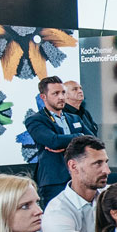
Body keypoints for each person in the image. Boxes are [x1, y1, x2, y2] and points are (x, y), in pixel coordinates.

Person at [40, 135, 110, 232]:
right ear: (73, 167)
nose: (107, 170)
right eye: (97, 164)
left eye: (106, 162)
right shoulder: (57, 212)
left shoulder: (109, 195)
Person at [23, 76, 94, 204]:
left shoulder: (75, 118)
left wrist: (68, 142)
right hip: (54, 180)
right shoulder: (35, 120)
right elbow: (53, 141)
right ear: (43, 97)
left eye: (62, 92)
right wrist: (79, 136)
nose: (61, 97)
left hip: (80, 177)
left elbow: (93, 141)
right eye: (55, 93)